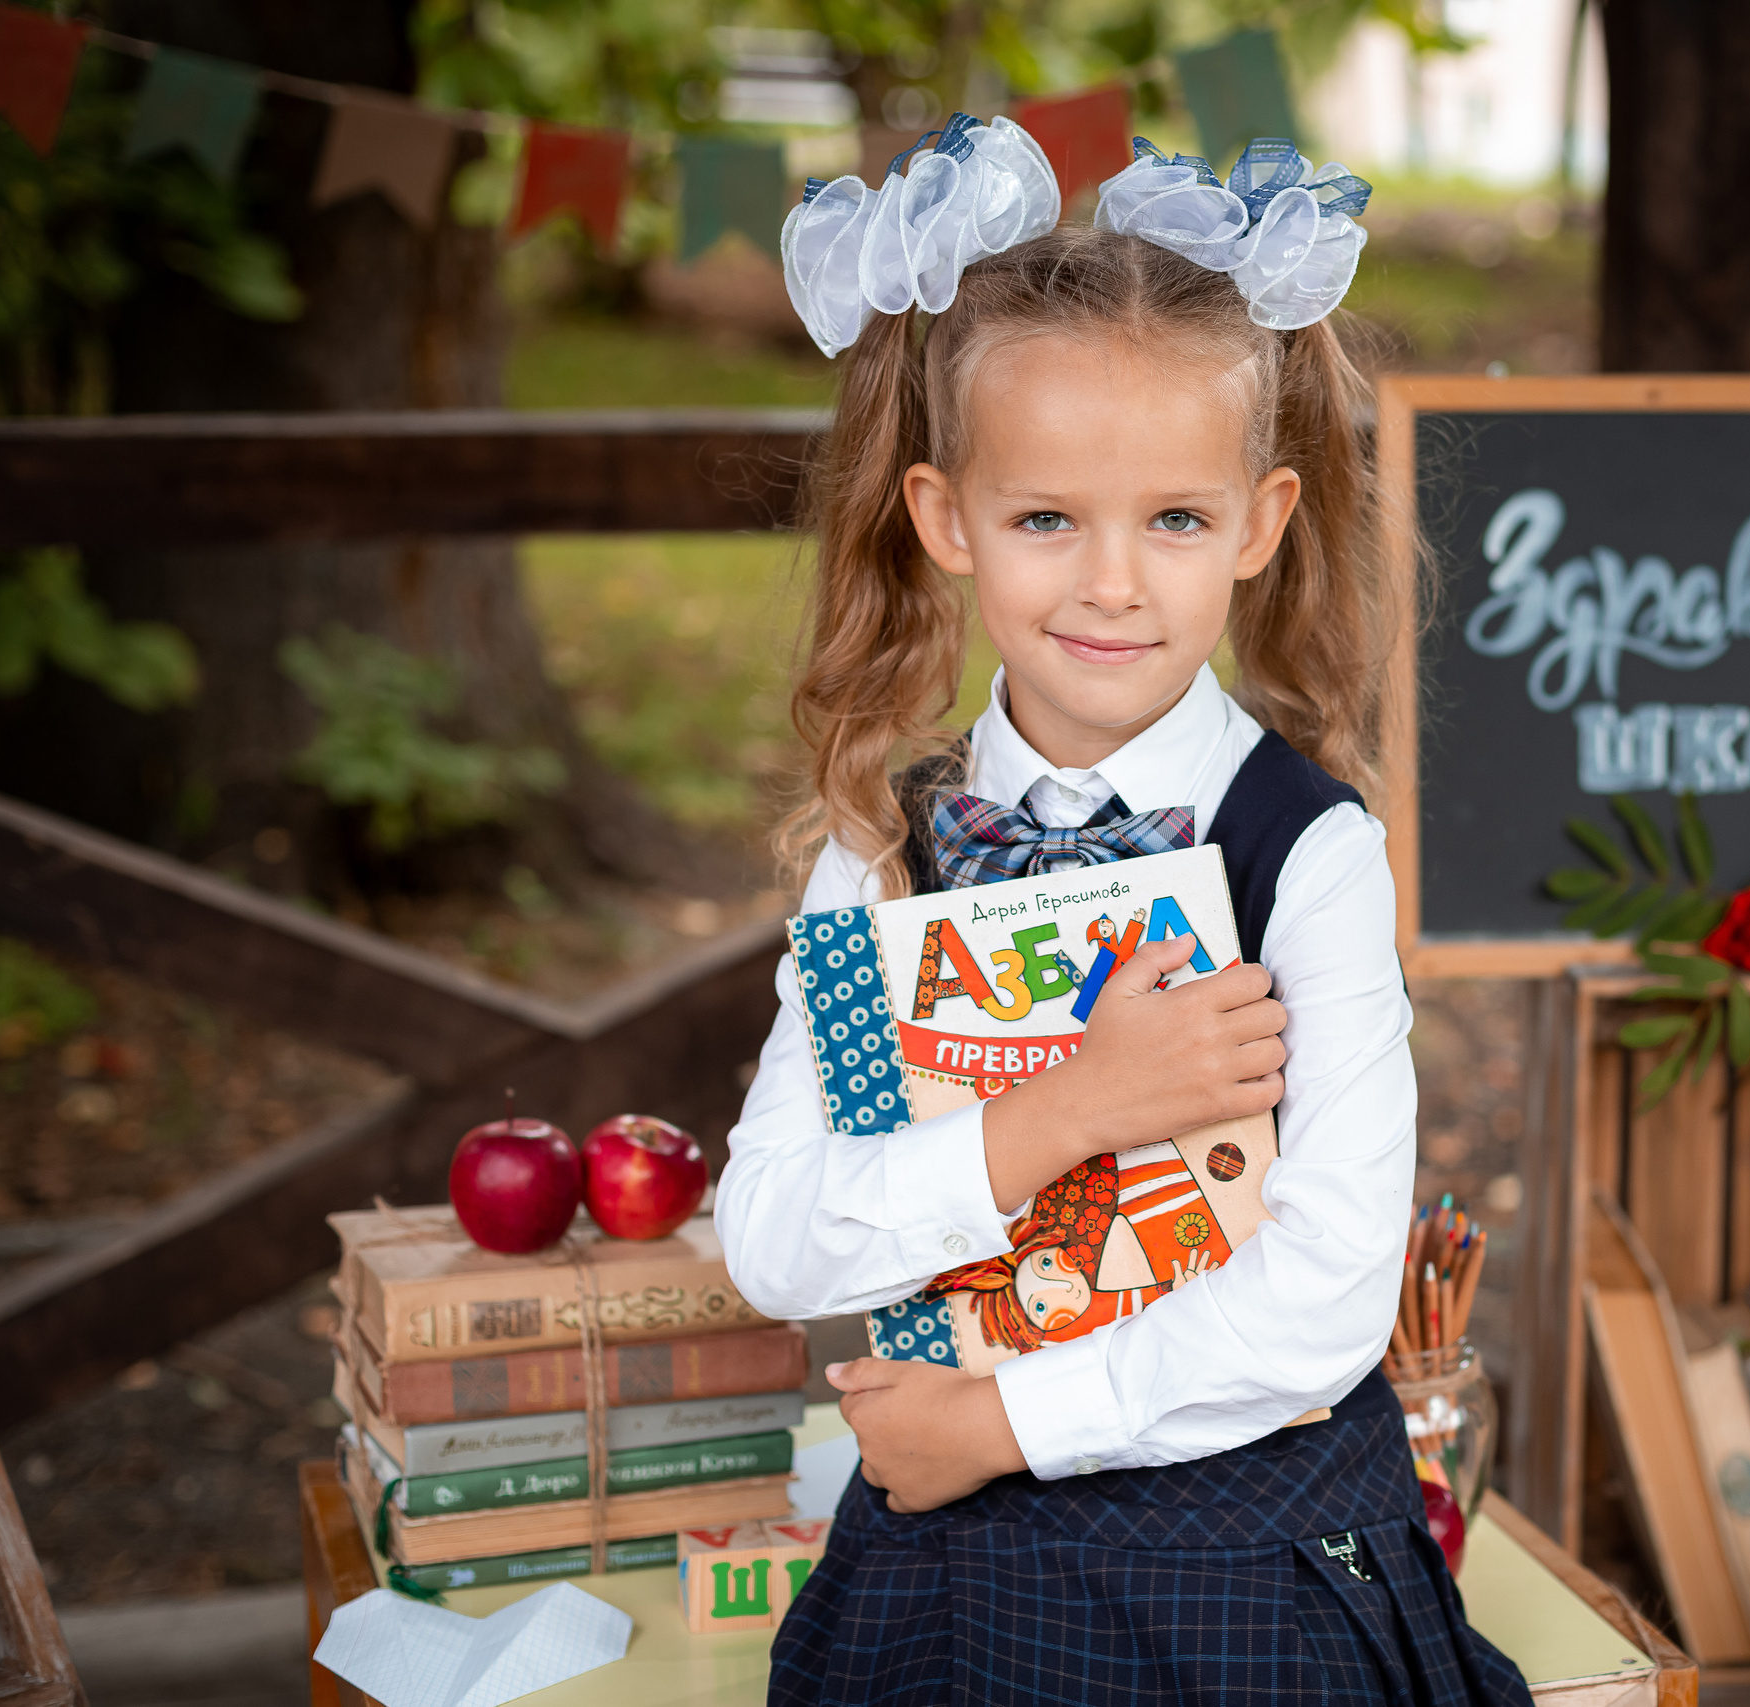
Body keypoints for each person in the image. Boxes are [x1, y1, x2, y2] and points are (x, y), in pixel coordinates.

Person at [714, 112, 1530, 1705]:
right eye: (1044, 522)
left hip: (1243, 1583)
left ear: (1258, 525)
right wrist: (1070, 1110)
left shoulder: (1302, 853)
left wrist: (996, 1425)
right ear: (948, 522)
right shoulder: (885, 856)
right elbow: (773, 1240)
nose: (1110, 584)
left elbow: (1329, 1294)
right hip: (953, 1586)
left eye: (1171, 518)